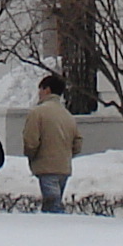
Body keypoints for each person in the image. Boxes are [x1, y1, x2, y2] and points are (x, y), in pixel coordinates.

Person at [22, 73, 82, 213]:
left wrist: (31, 156)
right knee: (55, 201)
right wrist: (66, 154)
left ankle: (57, 231)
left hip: (46, 167)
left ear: (47, 89)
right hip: (64, 167)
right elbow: (78, 142)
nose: (39, 94)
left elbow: (31, 141)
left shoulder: (37, 113)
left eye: (40, 90)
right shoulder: (67, 114)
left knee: (52, 206)